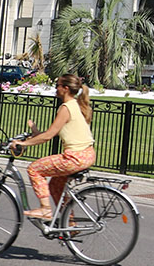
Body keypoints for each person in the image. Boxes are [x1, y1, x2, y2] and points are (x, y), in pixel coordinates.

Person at [8, 74, 96, 220]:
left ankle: (45, 209)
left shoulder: (66, 108)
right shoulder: (76, 105)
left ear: (65, 89)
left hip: (75, 157)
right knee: (55, 186)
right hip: (87, 154)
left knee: (34, 169)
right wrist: (35, 133)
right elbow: (52, 132)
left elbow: (48, 136)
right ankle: (70, 224)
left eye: (58, 85)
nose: (56, 88)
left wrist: (22, 143)